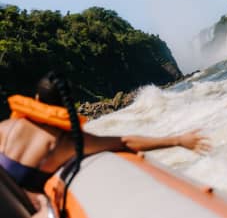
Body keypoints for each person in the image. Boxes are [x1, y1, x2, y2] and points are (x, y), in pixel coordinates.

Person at [0, 71, 211, 215]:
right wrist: (177, 140)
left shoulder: (6, 127)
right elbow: (124, 141)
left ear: (36, 99)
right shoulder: (65, 142)